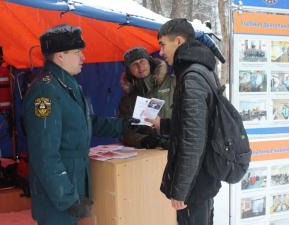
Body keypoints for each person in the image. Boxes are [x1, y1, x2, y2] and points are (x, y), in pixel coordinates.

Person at [23, 24, 127, 225]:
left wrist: (126, 126)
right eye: (78, 52)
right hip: (58, 197)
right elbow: (45, 155)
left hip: (75, 186)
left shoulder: (69, 85)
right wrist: (67, 198)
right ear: (60, 55)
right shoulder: (45, 92)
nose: (84, 58)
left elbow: (88, 122)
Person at [151, 18, 222, 225]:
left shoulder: (192, 77)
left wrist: (181, 190)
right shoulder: (202, 70)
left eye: (163, 44)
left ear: (179, 41)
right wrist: (162, 124)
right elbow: (194, 125)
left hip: (195, 185)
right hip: (202, 178)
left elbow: (193, 141)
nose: (161, 52)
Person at [118, 47, 175, 149]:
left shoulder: (172, 83)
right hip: (149, 155)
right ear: (129, 70)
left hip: (177, 147)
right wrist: (143, 140)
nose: (140, 67)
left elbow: (189, 116)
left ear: (149, 62)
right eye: (134, 64)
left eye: (142, 61)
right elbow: (124, 131)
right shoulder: (127, 99)